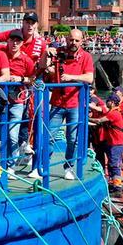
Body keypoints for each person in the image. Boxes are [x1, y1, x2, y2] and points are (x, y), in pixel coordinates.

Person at [45, 29, 94, 180]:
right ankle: (44, 165)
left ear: (82, 41)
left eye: (77, 40)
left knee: (73, 138)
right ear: (67, 39)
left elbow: (89, 78)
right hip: (58, 102)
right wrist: (46, 54)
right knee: (49, 136)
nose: (73, 43)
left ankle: (69, 167)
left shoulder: (86, 57)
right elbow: (45, 67)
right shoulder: (58, 52)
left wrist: (70, 77)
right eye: (71, 40)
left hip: (75, 103)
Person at [1, 30, 36, 173]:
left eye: (18, 41)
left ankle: (10, 165)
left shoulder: (26, 60)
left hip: (17, 100)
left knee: (12, 135)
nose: (14, 43)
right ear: (8, 41)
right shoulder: (1, 54)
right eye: (12, 40)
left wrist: (20, 79)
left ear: (22, 43)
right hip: (1, 100)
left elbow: (33, 79)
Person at [95, 94, 123, 196]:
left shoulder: (114, 114)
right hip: (114, 142)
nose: (106, 102)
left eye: (108, 101)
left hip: (117, 143)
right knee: (113, 164)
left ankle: (118, 187)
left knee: (114, 165)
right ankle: (116, 183)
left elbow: (99, 120)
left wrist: (87, 119)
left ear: (112, 102)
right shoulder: (113, 112)